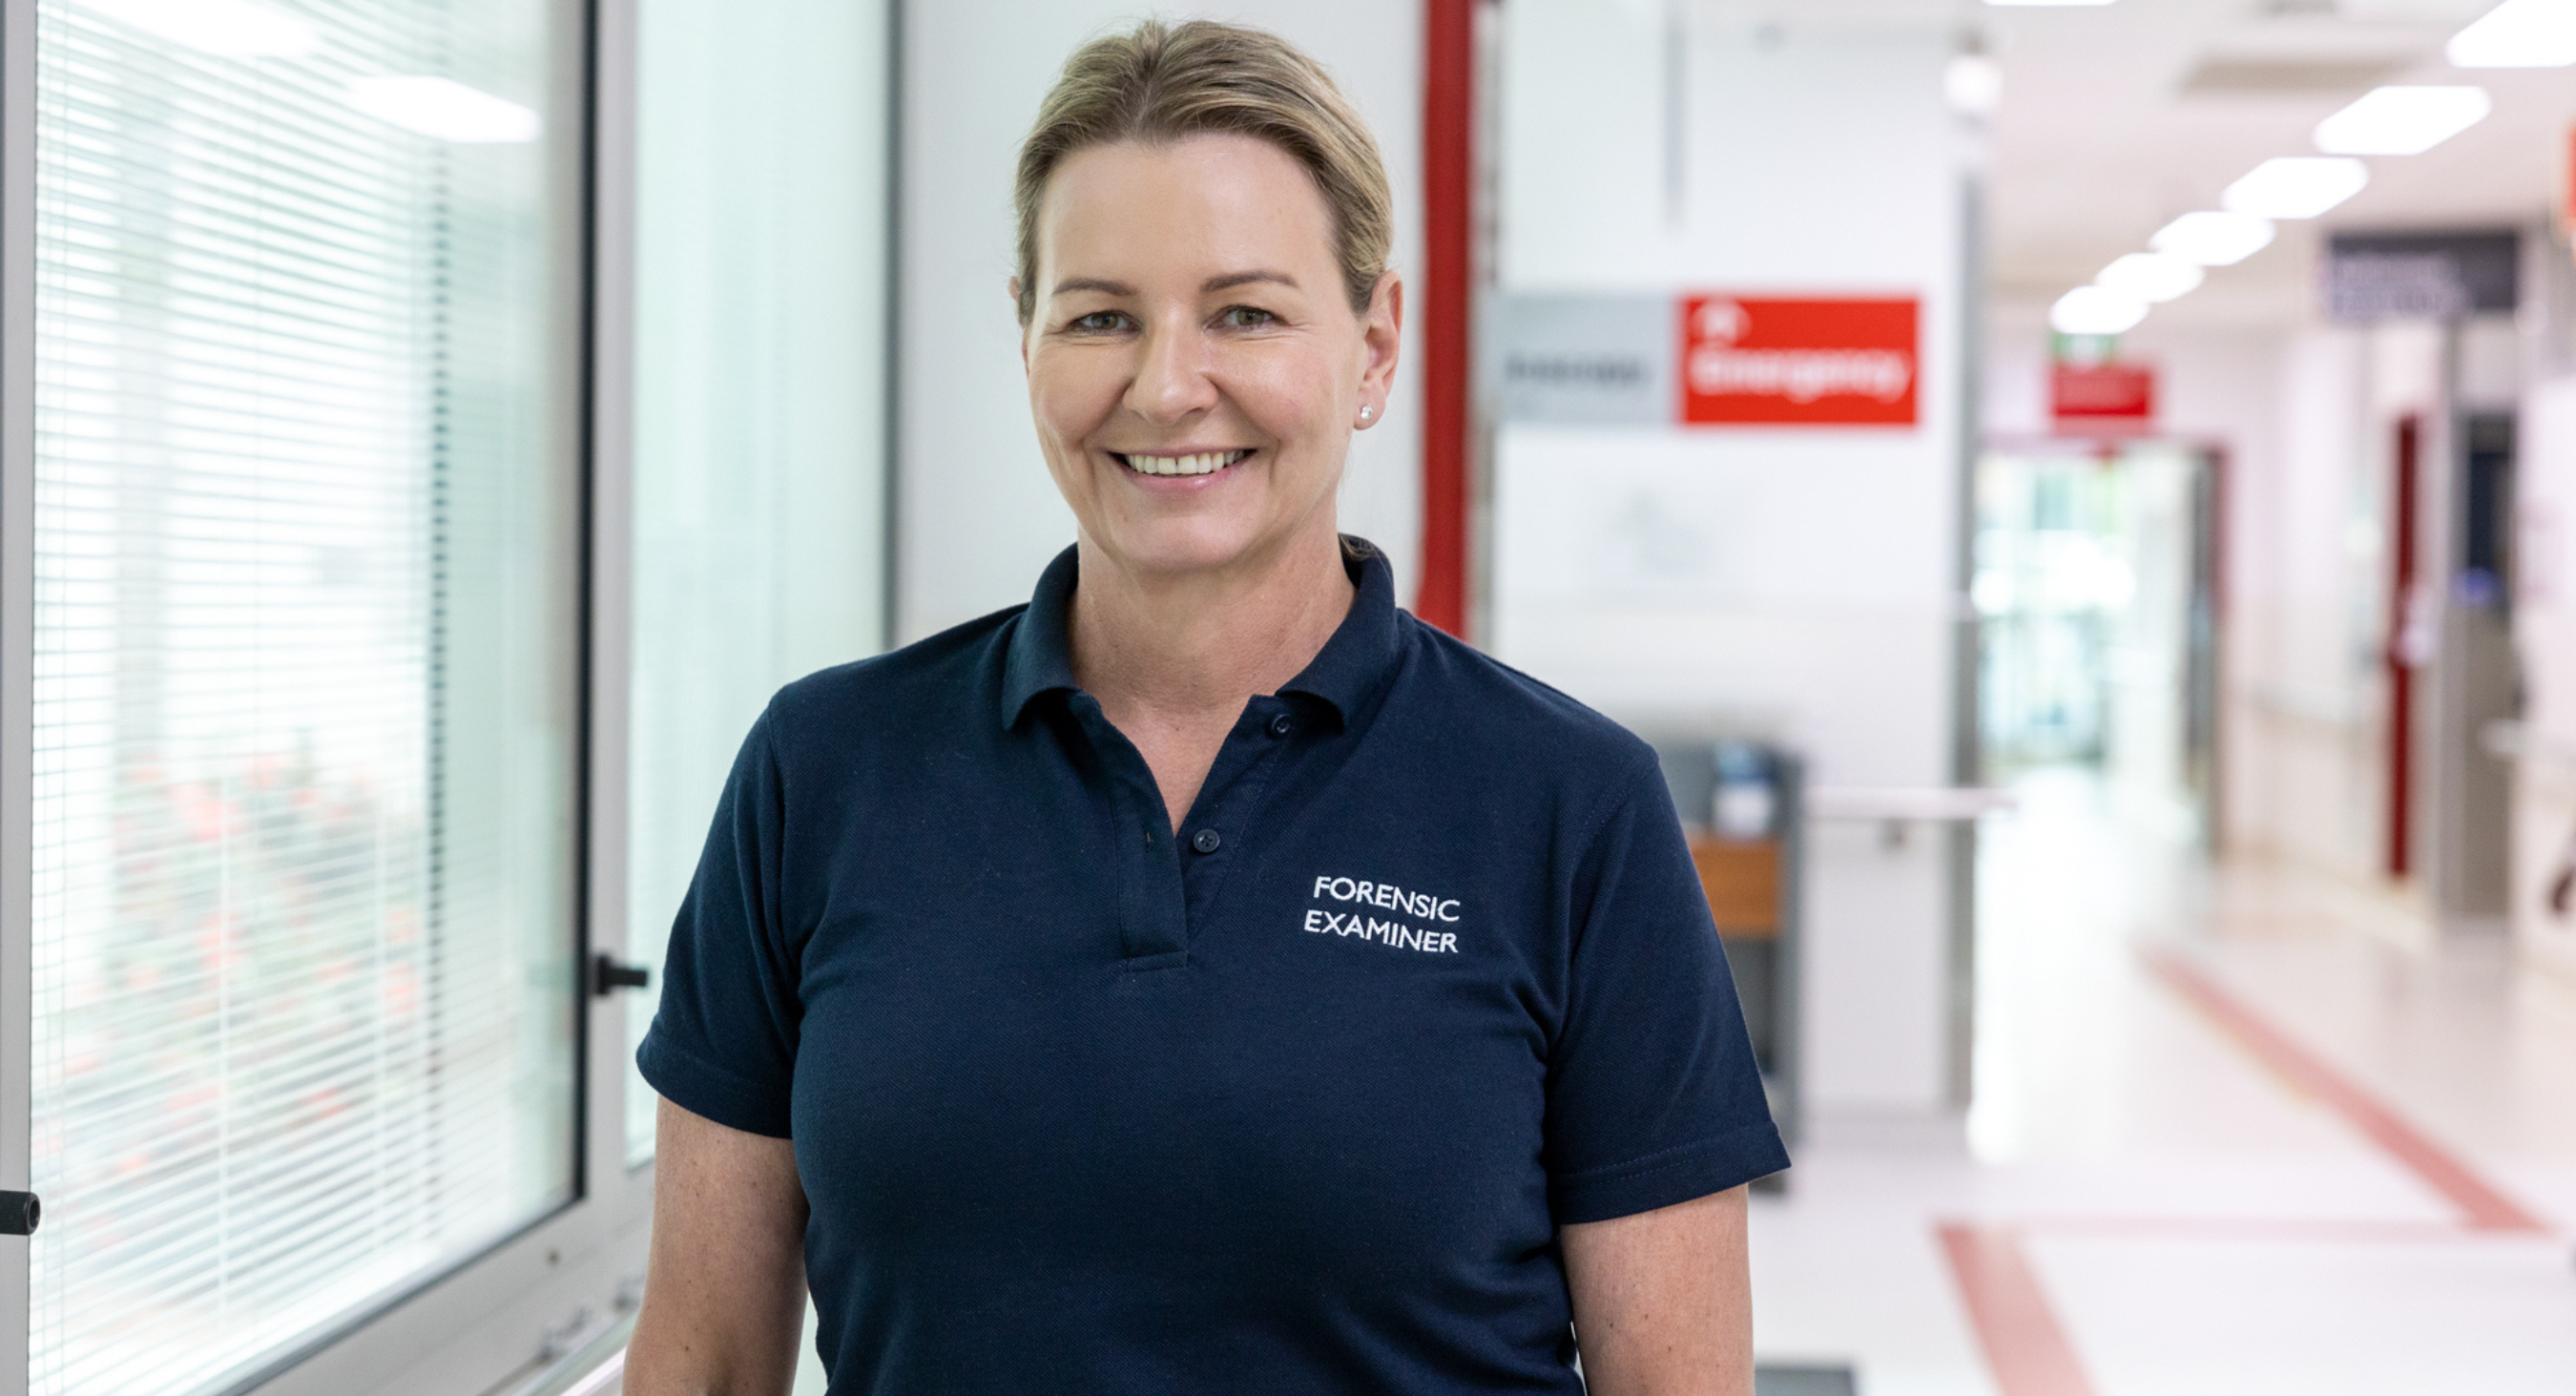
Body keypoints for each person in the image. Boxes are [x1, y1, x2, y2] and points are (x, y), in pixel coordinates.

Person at [623, 19, 1786, 1396]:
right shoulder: (820, 774)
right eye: (1101, 313)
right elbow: (700, 1359)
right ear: (1027, 337)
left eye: (1245, 311)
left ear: (1372, 346)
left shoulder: (1569, 806)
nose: (1168, 385)